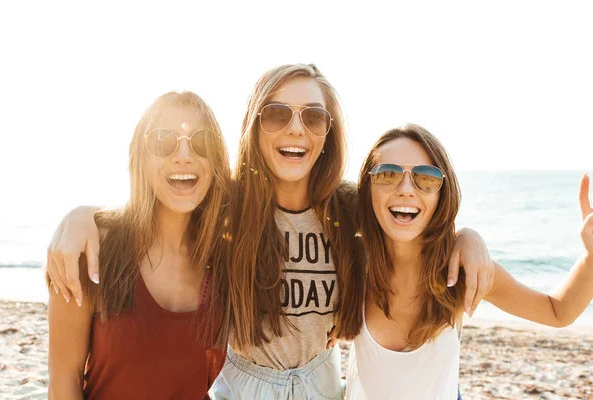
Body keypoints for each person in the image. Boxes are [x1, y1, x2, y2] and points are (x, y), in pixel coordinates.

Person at [46, 64, 494, 399]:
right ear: (255, 127)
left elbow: (408, 216)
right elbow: (166, 204)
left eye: (313, 117)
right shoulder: (232, 204)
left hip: (323, 382)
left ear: (328, 132)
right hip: (245, 385)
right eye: (276, 113)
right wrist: (83, 215)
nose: (295, 128)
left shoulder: (349, 207)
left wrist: (467, 237)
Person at [346, 124, 593, 400]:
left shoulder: (461, 270)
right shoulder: (351, 264)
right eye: (387, 175)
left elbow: (557, 312)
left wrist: (591, 258)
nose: (406, 189)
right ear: (368, 189)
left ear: (442, 194)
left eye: (426, 178)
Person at [46, 91, 231, 399]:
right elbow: (63, 379)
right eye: (163, 141)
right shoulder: (89, 253)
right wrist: (77, 214)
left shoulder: (226, 257)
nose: (184, 155)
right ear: (140, 158)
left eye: (201, 143)